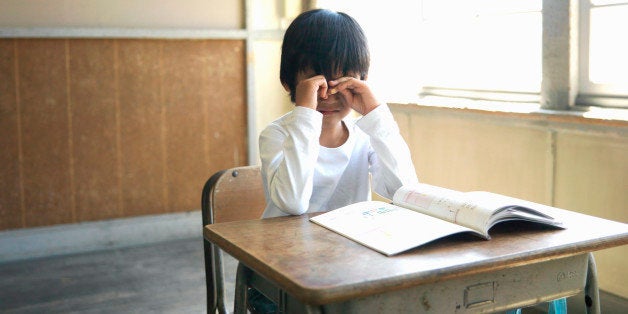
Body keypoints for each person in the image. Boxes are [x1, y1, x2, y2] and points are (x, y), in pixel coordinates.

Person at [251, 8, 419, 313]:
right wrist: (305, 114)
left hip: (348, 266)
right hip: (282, 274)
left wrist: (376, 115)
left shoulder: (363, 133)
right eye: (317, 83)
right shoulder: (277, 135)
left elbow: (403, 190)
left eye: (340, 81)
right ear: (290, 83)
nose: (328, 95)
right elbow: (292, 203)